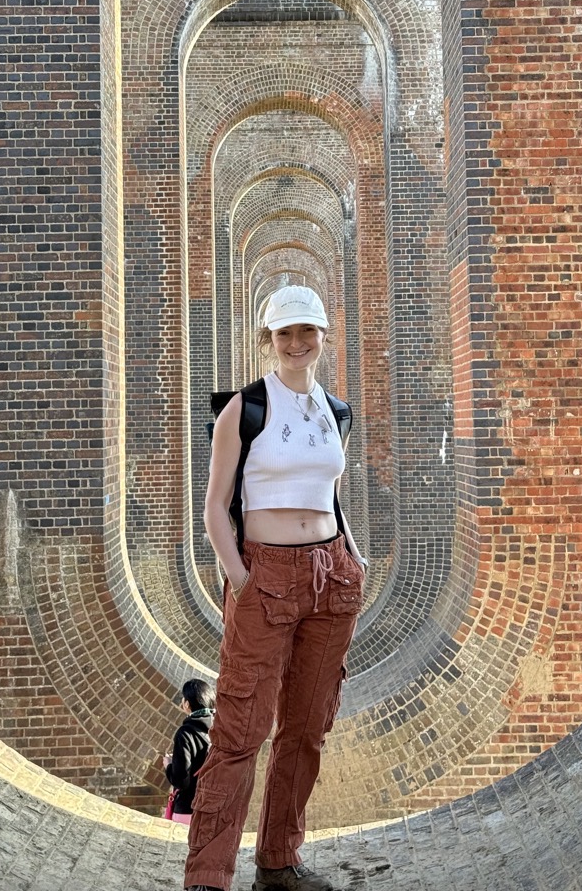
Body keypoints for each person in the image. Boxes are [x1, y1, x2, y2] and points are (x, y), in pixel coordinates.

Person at [185, 284, 367, 891]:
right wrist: (240, 576)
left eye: (306, 332)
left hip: (332, 577)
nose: (296, 343)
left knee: (307, 729)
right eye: (285, 333)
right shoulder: (245, 408)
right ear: (269, 340)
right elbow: (214, 505)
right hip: (266, 576)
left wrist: (353, 556)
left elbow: (330, 493)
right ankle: (208, 876)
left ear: (321, 337)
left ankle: (279, 862)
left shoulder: (335, 411)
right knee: (239, 731)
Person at [163, 678, 216, 824]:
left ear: (187, 704)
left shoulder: (185, 733)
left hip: (188, 809)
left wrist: (168, 765)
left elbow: (181, 780)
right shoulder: (219, 730)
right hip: (213, 808)